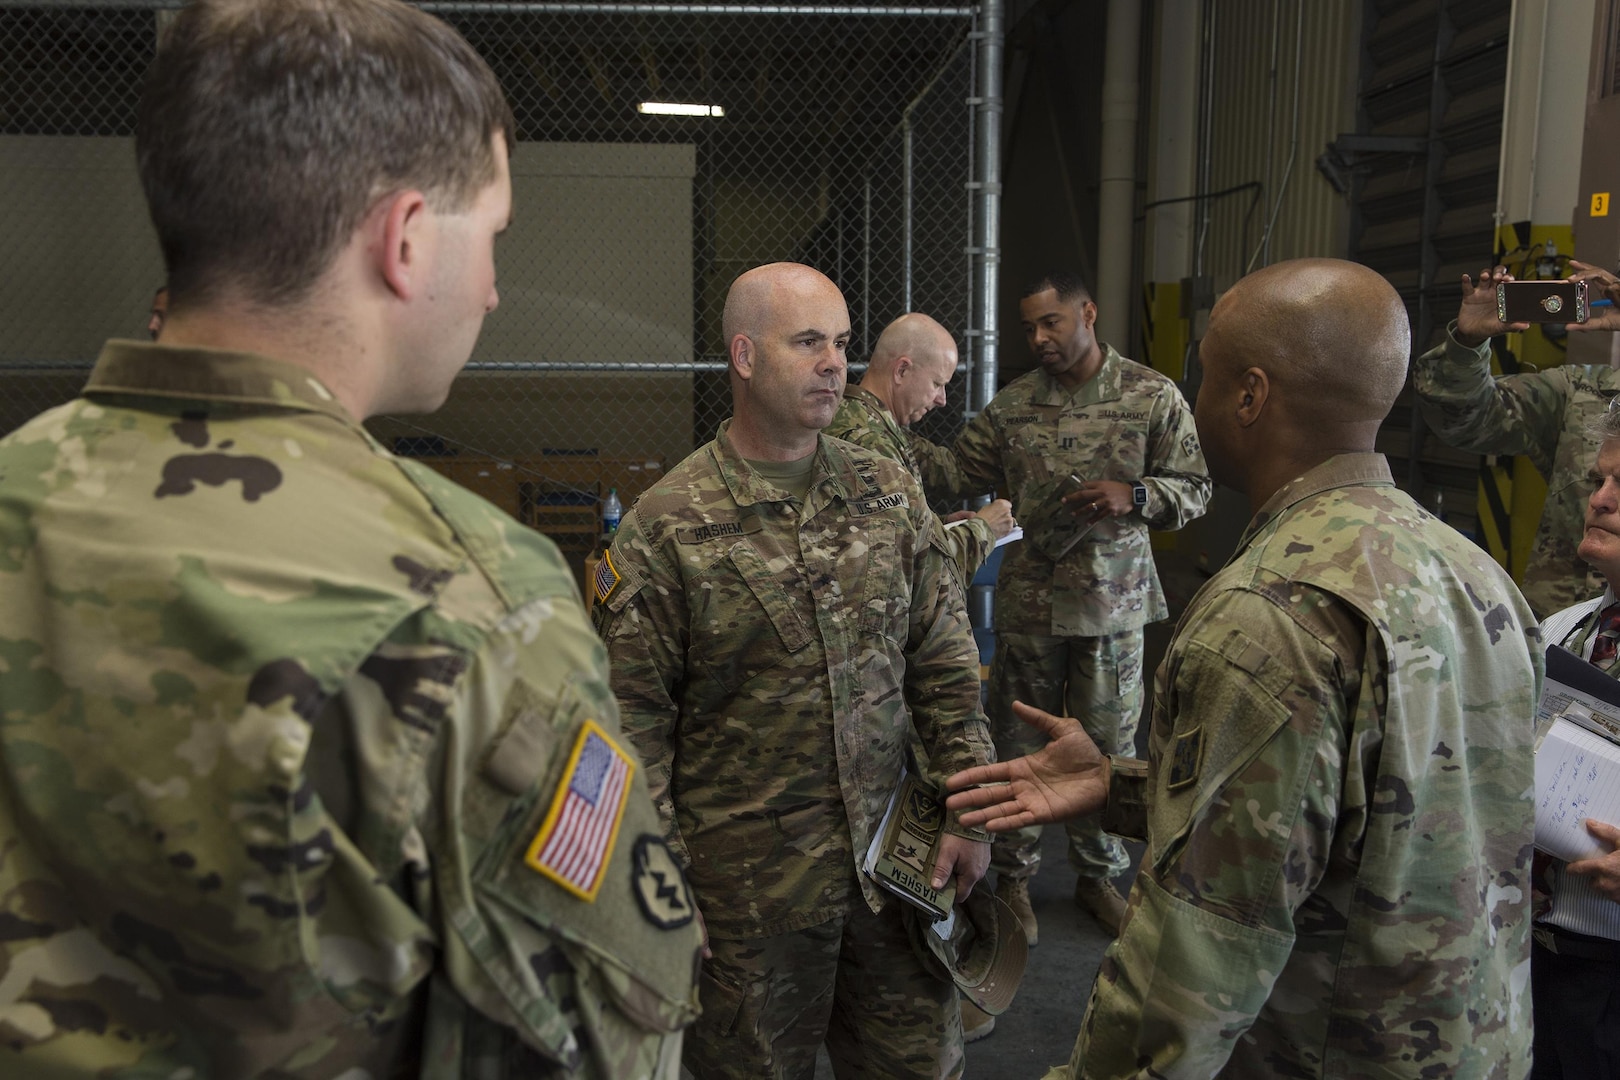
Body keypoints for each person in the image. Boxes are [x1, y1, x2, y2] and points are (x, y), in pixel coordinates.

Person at [0, 2, 701, 1077]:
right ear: (407, 239)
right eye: (494, 235)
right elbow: (601, 1042)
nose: (497, 289)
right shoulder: (472, 595)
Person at [945, 257, 1542, 1078]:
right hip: (1474, 1047)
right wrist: (1126, 788)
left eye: (1208, 377)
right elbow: (1356, 806)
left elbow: (1195, 959)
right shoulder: (1475, 574)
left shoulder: (1270, 616)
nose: (1195, 399)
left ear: (1251, 396)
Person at [592, 262, 995, 1079]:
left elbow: (945, 664)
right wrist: (659, 900)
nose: (834, 365)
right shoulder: (667, 526)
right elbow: (629, 736)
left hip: (896, 877)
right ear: (745, 356)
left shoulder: (886, 491)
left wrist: (971, 809)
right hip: (747, 907)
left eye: (842, 344)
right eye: (807, 342)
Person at [907, 271, 1209, 941]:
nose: (1040, 337)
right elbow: (958, 473)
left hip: (1113, 606)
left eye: (1052, 322)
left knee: (1106, 745)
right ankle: (1012, 879)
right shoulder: (1015, 406)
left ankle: (1100, 875)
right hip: (1031, 609)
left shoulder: (1150, 396)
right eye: (1030, 327)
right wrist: (885, 418)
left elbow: (1195, 490)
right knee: (1015, 742)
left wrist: (1137, 496)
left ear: (1088, 314)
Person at [1411, 261, 1620, 618]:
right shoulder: (1581, 393)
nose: (1601, 497)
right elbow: (1463, 418)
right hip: (1559, 634)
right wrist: (1468, 344)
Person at [1529, 399, 1620, 1079]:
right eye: (1600, 481)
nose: (1603, 501)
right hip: (1536, 961)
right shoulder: (1561, 630)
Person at [824, 311, 1015, 585]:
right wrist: (984, 529)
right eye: (937, 383)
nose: (942, 400)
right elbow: (905, 560)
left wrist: (938, 524)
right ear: (902, 370)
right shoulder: (869, 440)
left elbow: (886, 529)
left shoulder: (868, 423)